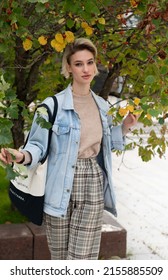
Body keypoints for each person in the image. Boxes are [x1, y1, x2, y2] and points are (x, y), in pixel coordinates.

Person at [0, 38, 138, 260]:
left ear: (95, 65)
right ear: (68, 67)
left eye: (90, 62)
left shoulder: (103, 106)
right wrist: (21, 155)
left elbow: (103, 146)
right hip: (58, 186)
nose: (85, 69)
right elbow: (37, 145)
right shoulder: (50, 106)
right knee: (60, 258)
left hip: (91, 181)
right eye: (78, 63)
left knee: (80, 260)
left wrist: (124, 128)